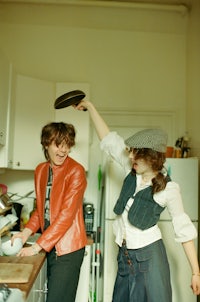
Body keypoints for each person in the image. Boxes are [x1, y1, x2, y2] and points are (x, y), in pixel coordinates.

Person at [74, 100, 200, 302]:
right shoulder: (131, 169)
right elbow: (108, 139)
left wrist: (196, 272)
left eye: (136, 153)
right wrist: (90, 106)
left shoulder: (169, 189)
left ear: (152, 158)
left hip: (150, 259)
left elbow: (184, 231)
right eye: (131, 152)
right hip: (125, 257)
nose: (130, 156)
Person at [11, 122, 87, 302]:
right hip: (50, 244)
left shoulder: (76, 171)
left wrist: (36, 247)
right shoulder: (41, 170)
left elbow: (66, 217)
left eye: (67, 145)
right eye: (58, 144)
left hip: (68, 249)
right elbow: (41, 210)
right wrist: (25, 234)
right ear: (46, 144)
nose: (63, 150)